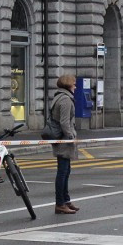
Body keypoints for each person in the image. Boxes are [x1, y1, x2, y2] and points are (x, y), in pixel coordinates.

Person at [49, 74, 79, 214]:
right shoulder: (66, 100)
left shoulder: (58, 96)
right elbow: (64, 122)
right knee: (63, 172)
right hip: (64, 140)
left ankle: (66, 200)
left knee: (66, 171)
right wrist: (71, 137)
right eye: (74, 84)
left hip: (61, 138)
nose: (75, 86)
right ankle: (60, 203)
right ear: (68, 85)